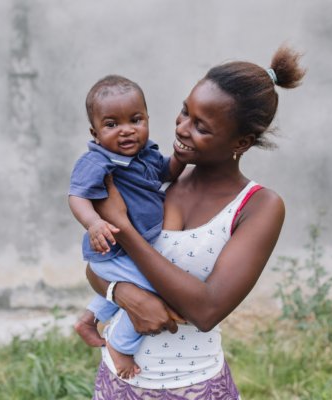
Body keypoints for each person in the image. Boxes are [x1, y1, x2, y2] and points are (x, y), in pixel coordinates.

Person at [85, 45, 305, 399]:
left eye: (201, 126)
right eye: (184, 112)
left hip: (195, 387)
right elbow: (97, 266)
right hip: (117, 383)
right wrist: (122, 293)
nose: (182, 129)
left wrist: (124, 228)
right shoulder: (154, 175)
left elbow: (206, 309)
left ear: (241, 142)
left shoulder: (258, 207)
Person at [68, 75, 186, 380]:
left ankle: (90, 317)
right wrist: (94, 222)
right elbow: (77, 196)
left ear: (147, 120)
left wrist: (183, 158)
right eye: (111, 124)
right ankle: (119, 345)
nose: (126, 130)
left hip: (132, 252)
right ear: (95, 133)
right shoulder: (98, 162)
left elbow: (168, 172)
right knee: (153, 290)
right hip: (113, 252)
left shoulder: (146, 154)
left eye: (135, 119)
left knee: (136, 285)